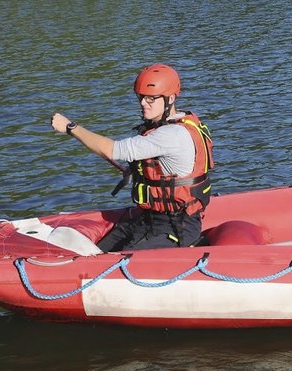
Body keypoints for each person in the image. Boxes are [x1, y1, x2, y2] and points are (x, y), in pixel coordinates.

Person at [50, 63, 215, 251]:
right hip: (148, 218)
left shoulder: (171, 134)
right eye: (141, 97)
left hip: (175, 226)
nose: (144, 103)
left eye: (151, 99)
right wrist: (138, 172)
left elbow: (112, 150)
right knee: (99, 250)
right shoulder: (175, 122)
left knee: (106, 263)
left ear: (170, 98)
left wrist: (71, 128)